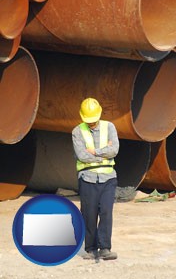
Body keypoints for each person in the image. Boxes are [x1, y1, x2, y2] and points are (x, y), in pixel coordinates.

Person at [72, 97, 119, 260]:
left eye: (94, 121)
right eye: (89, 121)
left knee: (106, 212)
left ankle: (105, 248)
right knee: (89, 214)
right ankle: (91, 248)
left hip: (108, 178)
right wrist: (103, 152)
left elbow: (114, 150)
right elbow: (82, 155)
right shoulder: (77, 131)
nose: (92, 124)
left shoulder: (109, 127)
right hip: (87, 178)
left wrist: (95, 152)